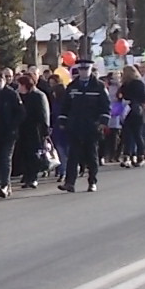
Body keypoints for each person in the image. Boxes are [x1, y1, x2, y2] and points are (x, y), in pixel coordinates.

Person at [58, 61, 110, 192]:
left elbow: (105, 106)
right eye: (81, 69)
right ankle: (70, 183)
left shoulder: (98, 86)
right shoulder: (72, 86)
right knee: (73, 156)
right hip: (75, 126)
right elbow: (65, 106)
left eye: (86, 69)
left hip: (92, 127)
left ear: (90, 69)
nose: (83, 71)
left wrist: (102, 122)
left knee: (91, 155)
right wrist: (63, 122)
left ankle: (92, 181)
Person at [0, 71, 22, 198]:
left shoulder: (11, 94)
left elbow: (20, 112)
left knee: (5, 158)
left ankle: (5, 185)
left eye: (0, 80)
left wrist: (13, 126)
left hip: (9, 133)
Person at [16, 71, 51, 188]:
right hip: (22, 129)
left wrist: (45, 131)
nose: (19, 87)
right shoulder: (18, 96)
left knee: (33, 154)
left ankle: (33, 177)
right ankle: (26, 176)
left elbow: (44, 114)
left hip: (35, 130)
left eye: (20, 85)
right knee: (24, 154)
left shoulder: (38, 96)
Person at [117, 65, 145, 166]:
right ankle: (138, 156)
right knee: (136, 135)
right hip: (134, 111)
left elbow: (120, 96)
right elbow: (144, 98)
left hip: (130, 110)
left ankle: (129, 156)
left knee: (129, 135)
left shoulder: (128, 84)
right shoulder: (136, 83)